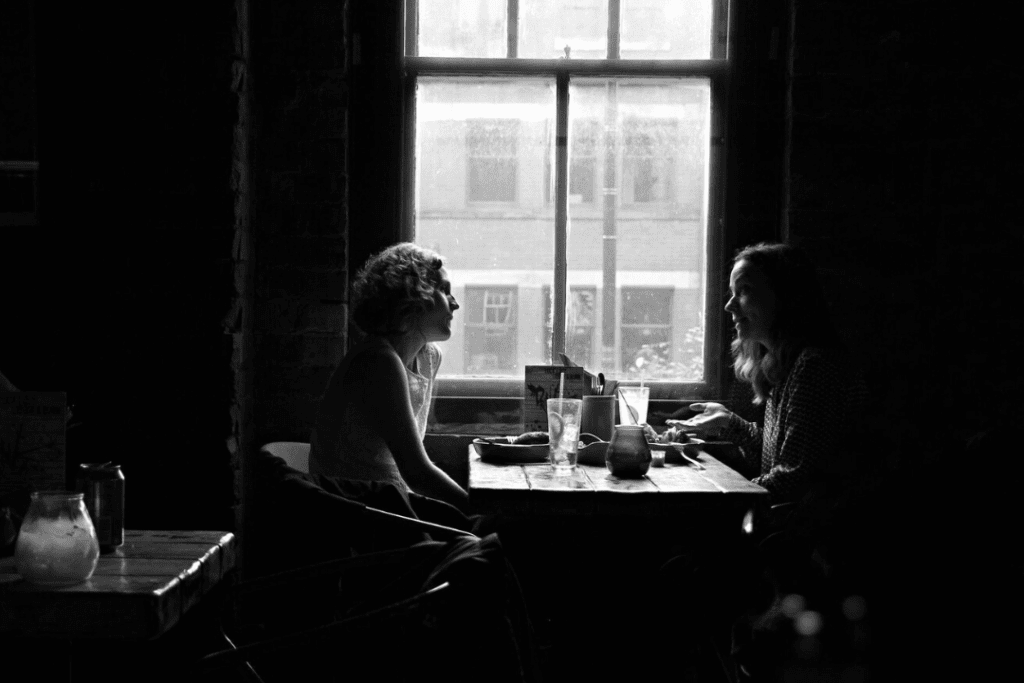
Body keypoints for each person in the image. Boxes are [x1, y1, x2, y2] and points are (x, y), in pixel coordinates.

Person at [663, 241, 868, 508]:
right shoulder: (784, 365)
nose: (729, 306)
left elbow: (792, 479)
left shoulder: (816, 367)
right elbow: (779, 455)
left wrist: (716, 499)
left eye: (744, 291)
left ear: (784, 296)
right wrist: (728, 421)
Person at [308, 242, 468, 508]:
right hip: (358, 516)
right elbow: (417, 472)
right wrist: (478, 511)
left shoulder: (428, 357)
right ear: (414, 296)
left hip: (393, 504)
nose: (455, 304)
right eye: (444, 290)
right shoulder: (378, 362)